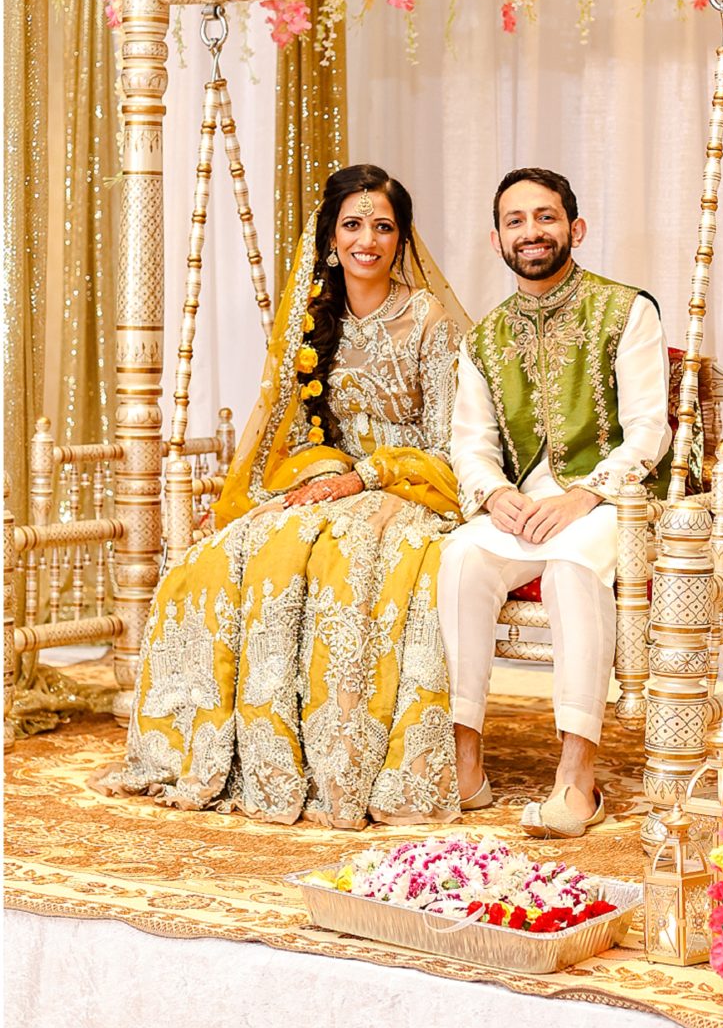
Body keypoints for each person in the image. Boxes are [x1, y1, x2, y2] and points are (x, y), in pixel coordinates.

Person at [95, 165, 461, 828]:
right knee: (223, 553)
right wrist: (253, 499)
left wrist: (364, 479)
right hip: (325, 476)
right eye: (352, 225)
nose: (367, 240)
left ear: (402, 238)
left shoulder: (427, 317)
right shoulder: (311, 314)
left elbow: (446, 440)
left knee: (345, 558)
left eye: (382, 226)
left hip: (406, 483)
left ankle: (342, 768)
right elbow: (282, 426)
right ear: (331, 236)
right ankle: (230, 754)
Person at [438, 167, 671, 838]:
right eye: (516, 221)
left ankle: (577, 780)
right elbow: (472, 443)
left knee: (572, 564)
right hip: (524, 507)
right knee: (460, 557)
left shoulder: (626, 310)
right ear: (495, 239)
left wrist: (584, 494)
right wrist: (495, 493)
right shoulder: (483, 337)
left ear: (575, 228)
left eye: (545, 217)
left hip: (615, 503)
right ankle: (466, 764)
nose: (531, 232)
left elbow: (650, 428)